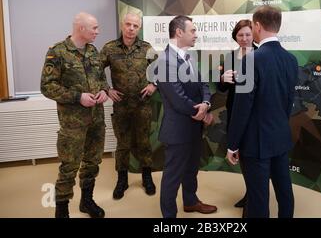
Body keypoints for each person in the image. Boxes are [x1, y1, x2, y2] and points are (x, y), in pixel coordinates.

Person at [226, 6, 298, 218]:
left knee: (258, 198)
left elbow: (242, 108)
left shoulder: (251, 60)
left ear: (257, 25)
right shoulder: (291, 60)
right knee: (285, 190)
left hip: (255, 142)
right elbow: (288, 102)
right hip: (280, 137)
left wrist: (232, 144)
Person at [40, 12, 109, 218]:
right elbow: (47, 86)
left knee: (92, 162)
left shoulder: (93, 51)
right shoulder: (58, 52)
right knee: (69, 165)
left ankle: (86, 201)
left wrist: (105, 91)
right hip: (73, 123)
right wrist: (78, 97)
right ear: (81, 29)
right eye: (94, 28)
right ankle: (62, 210)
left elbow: (101, 79)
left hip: (96, 118)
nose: (98, 31)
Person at [153, 15, 217, 218]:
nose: (196, 35)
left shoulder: (188, 57)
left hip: (193, 128)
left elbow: (203, 85)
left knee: (191, 170)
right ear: (179, 32)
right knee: (173, 177)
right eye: (193, 31)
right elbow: (177, 99)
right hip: (178, 130)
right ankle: (169, 217)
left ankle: (190, 202)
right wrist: (201, 114)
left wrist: (206, 105)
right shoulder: (164, 62)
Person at [100, 13, 157, 199]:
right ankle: (122, 180)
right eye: (128, 24)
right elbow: (95, 71)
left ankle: (147, 177)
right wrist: (106, 89)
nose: (131, 28)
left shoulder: (147, 48)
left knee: (144, 142)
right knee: (122, 145)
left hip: (142, 105)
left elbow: (160, 69)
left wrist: (153, 84)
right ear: (122, 25)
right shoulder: (109, 48)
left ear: (139, 28)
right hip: (121, 106)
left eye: (135, 26)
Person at [217, 19, 256, 208]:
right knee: (240, 152)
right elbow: (222, 88)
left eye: (248, 34)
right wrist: (222, 79)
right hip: (235, 111)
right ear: (235, 36)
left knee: (253, 156)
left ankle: (255, 196)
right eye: (240, 35)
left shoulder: (260, 55)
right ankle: (250, 193)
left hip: (255, 115)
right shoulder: (230, 57)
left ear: (253, 34)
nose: (244, 38)